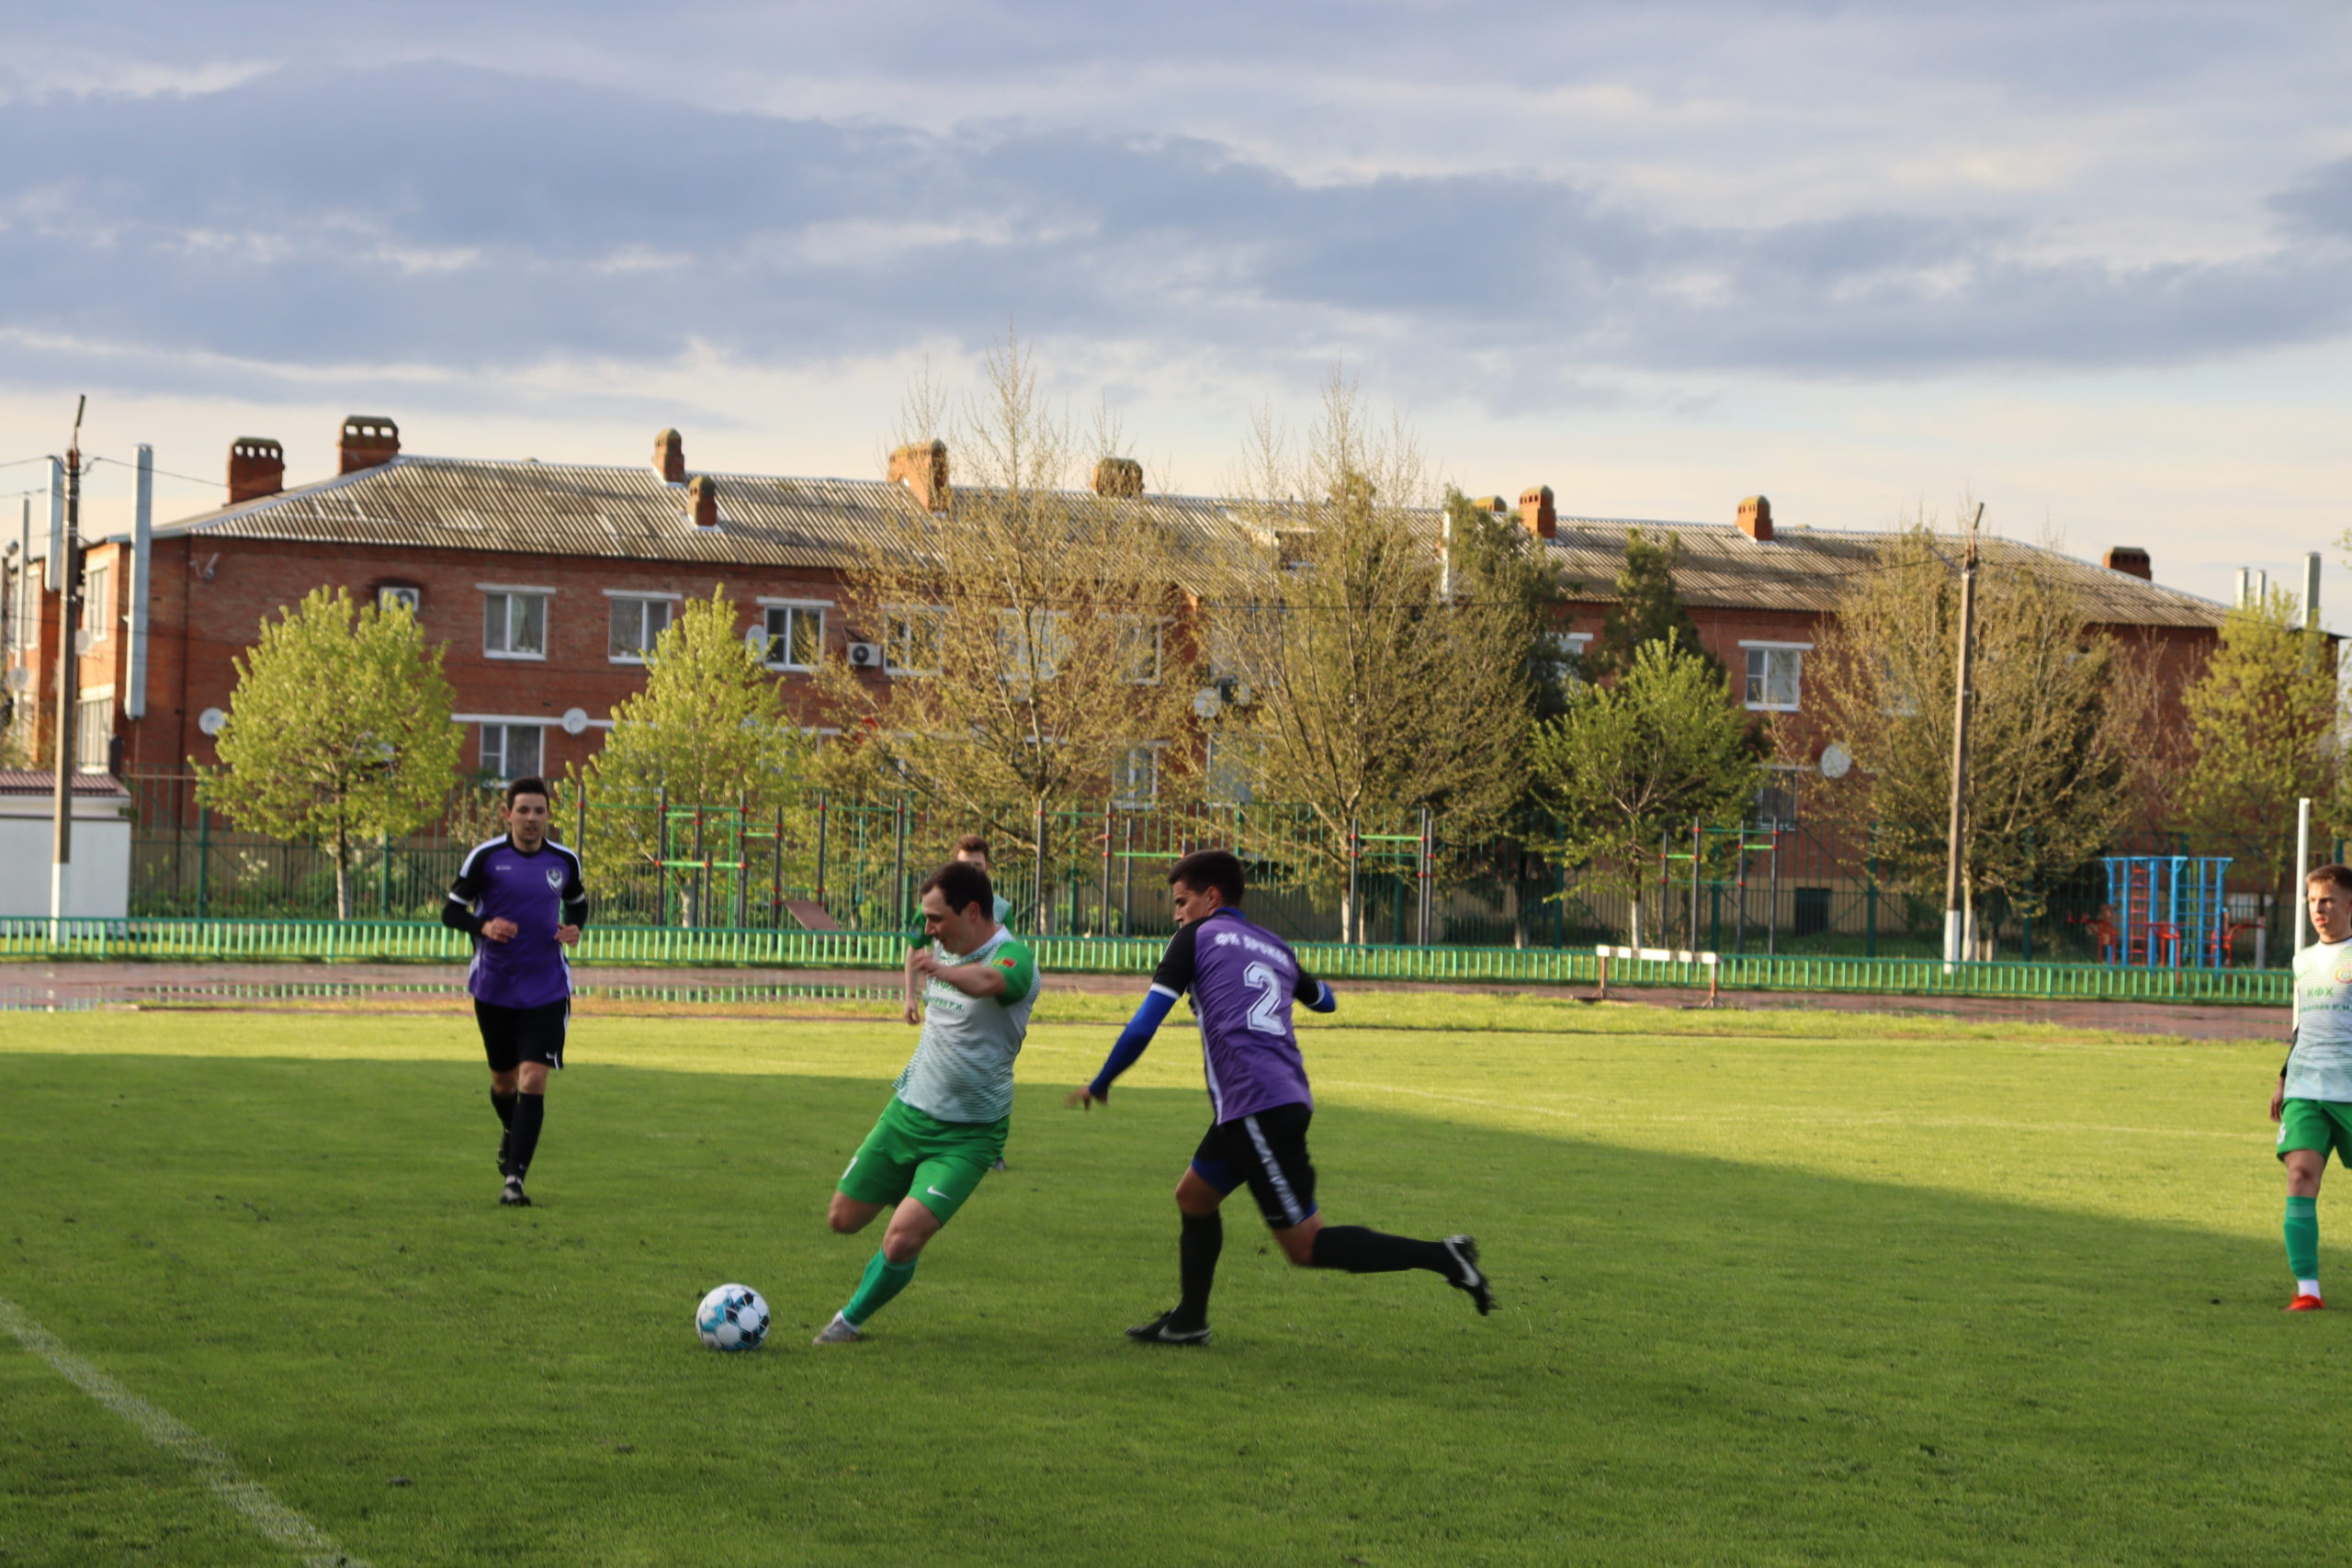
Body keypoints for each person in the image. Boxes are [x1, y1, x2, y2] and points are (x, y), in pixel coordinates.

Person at [1070, 848, 1490, 1345]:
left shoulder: (1194, 937)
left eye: (1182, 901)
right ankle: (1189, 1320)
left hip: (1256, 1105)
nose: (1176, 913)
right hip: (1271, 1097)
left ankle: (1444, 1256)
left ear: (1211, 897)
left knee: (1305, 1246)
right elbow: (1326, 1002)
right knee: (1193, 1197)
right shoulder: (1273, 945)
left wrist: (1101, 1082)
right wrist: (1304, 981)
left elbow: (1145, 1022)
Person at [816, 859, 1039, 1344]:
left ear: (973, 911)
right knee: (842, 1219)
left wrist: (939, 968)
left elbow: (991, 984)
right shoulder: (938, 937)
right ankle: (913, 1196)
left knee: (901, 1240)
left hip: (969, 1134)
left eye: (937, 919)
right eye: (927, 919)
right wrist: (913, 990)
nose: (928, 929)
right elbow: (915, 948)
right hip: (907, 1113)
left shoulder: (1015, 956)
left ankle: (848, 1322)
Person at [441, 776, 585, 1208]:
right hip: (494, 987)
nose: (531, 818)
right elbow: (451, 912)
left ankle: (514, 1182)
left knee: (533, 1079)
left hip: (547, 988)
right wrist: (483, 926)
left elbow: (577, 901)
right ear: (508, 815)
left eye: (539, 811)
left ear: (548, 815)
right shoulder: (485, 858)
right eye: (523, 810)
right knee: (504, 1085)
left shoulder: (565, 860)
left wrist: (576, 928)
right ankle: (510, 1129)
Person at [905, 835, 1017, 1169]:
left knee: (985, 1070)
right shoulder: (936, 904)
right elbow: (915, 948)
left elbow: (1004, 951)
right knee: (938, 1072)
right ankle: (934, 1144)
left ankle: (989, 1149)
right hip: (945, 1001)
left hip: (980, 1002)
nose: (972, 871)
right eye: (966, 865)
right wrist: (909, 995)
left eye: (978, 866)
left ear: (988, 868)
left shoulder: (1001, 908)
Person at [2271, 863, 2352, 1310]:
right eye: (2313, 901)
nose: (2319, 910)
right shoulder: (2303, 961)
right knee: (2300, 1175)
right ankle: (2308, 1291)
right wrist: (2283, 1079)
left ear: (2348, 904)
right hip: (2306, 1087)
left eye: (2327, 901)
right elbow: (2302, 1026)